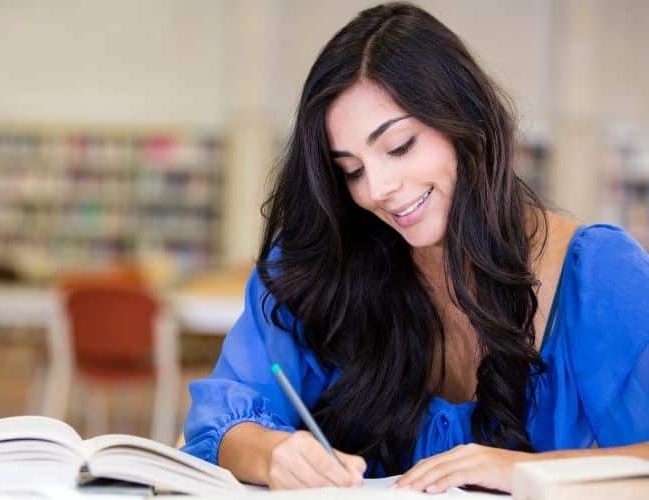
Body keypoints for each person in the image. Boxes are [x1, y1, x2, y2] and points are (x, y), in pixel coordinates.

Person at [180, 2, 649, 493]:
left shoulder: (599, 277)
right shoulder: (321, 269)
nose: (377, 188)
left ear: (467, 122)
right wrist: (269, 453)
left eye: (399, 145)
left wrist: (517, 471)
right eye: (352, 170)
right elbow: (219, 420)